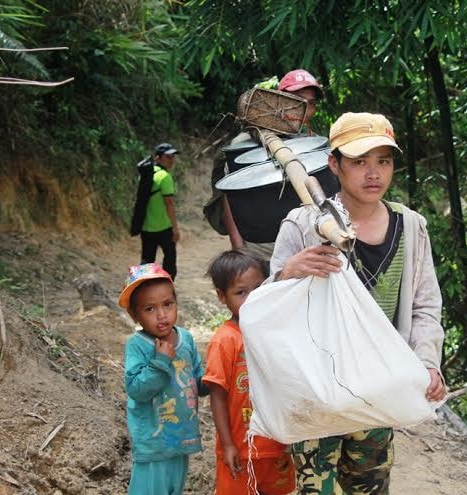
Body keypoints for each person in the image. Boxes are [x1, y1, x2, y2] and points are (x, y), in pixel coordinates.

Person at [268, 112, 446, 494]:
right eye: (359, 161)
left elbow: (425, 306)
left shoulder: (411, 226)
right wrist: (289, 272)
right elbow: (267, 303)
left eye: (383, 161)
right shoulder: (304, 224)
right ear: (334, 164)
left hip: (377, 389)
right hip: (317, 391)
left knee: (369, 486)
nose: (373, 173)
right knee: (317, 489)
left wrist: (428, 361)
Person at [203, 69, 324, 259]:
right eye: (297, 101)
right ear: (278, 100)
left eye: (310, 104)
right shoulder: (246, 143)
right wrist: (239, 249)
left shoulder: (315, 144)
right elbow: (230, 198)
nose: (304, 110)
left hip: (305, 247)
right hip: (262, 249)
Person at [203, 250, 296, 495]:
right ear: (222, 296)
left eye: (257, 288)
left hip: (277, 446)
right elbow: (217, 396)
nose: (252, 298)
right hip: (241, 450)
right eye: (241, 292)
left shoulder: (274, 333)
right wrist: (227, 445)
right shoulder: (225, 341)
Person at [119, 262, 208, 495]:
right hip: (152, 443)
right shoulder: (137, 345)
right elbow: (136, 389)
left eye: (167, 304)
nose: (161, 315)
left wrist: (213, 379)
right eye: (149, 309)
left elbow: (196, 381)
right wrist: (159, 362)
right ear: (134, 314)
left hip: (181, 439)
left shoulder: (186, 339)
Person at [130, 143, 180, 279]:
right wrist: (175, 228)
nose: (172, 160)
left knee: (146, 263)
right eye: (168, 156)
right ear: (158, 158)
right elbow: (169, 204)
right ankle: (167, 288)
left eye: (173, 156)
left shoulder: (145, 175)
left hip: (147, 228)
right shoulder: (164, 176)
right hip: (164, 227)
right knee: (170, 261)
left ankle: (143, 289)